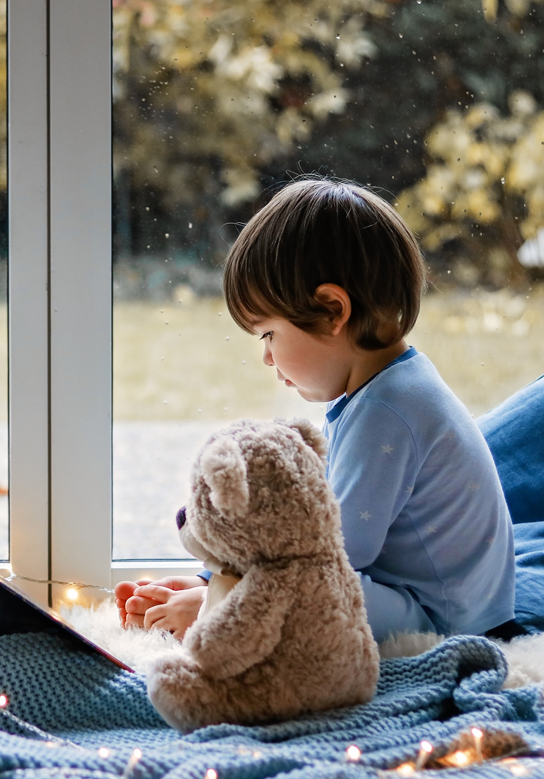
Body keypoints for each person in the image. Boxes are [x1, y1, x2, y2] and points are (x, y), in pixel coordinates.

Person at [116, 178, 517, 644]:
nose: (267, 357)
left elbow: (333, 553)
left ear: (331, 311)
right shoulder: (389, 387)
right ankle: (214, 593)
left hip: (443, 621)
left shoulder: (388, 409)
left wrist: (221, 599)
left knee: (309, 589)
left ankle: (218, 609)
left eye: (268, 334)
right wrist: (214, 578)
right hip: (441, 602)